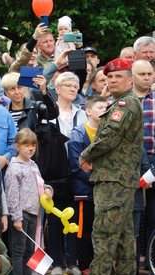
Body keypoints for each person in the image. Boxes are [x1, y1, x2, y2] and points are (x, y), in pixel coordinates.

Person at [79, 58, 143, 275]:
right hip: (117, 180)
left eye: (118, 76)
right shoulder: (118, 103)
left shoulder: (126, 104)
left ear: (129, 80)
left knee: (104, 239)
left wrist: (86, 154)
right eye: (110, 77)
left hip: (114, 181)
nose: (113, 80)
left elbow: (109, 135)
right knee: (123, 242)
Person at [48, 71, 87, 275]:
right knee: (54, 219)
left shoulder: (82, 113)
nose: (74, 88)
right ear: (58, 89)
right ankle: (56, 262)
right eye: (69, 85)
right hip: (54, 172)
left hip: (76, 172)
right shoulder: (48, 112)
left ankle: (72, 262)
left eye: (76, 86)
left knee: (74, 219)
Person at [4, 128, 53, 275]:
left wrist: (48, 189)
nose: (31, 148)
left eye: (33, 145)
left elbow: (39, 184)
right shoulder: (14, 168)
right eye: (26, 145)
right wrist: (17, 218)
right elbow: (12, 195)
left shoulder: (34, 165)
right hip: (22, 214)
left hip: (34, 213)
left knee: (30, 249)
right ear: (17, 146)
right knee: (18, 251)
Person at [67, 95, 107, 273]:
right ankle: (84, 265)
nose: (104, 111)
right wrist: (101, 174)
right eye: (100, 108)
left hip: (105, 191)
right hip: (86, 191)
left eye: (106, 108)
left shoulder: (108, 133)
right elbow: (78, 166)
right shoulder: (78, 133)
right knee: (84, 229)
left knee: (102, 230)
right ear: (88, 111)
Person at [131, 59, 155, 262]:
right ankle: (133, 259)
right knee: (134, 214)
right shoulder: (125, 100)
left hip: (154, 161)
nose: (147, 77)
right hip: (130, 162)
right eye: (142, 74)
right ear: (132, 76)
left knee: (154, 214)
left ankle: (150, 258)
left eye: (150, 73)